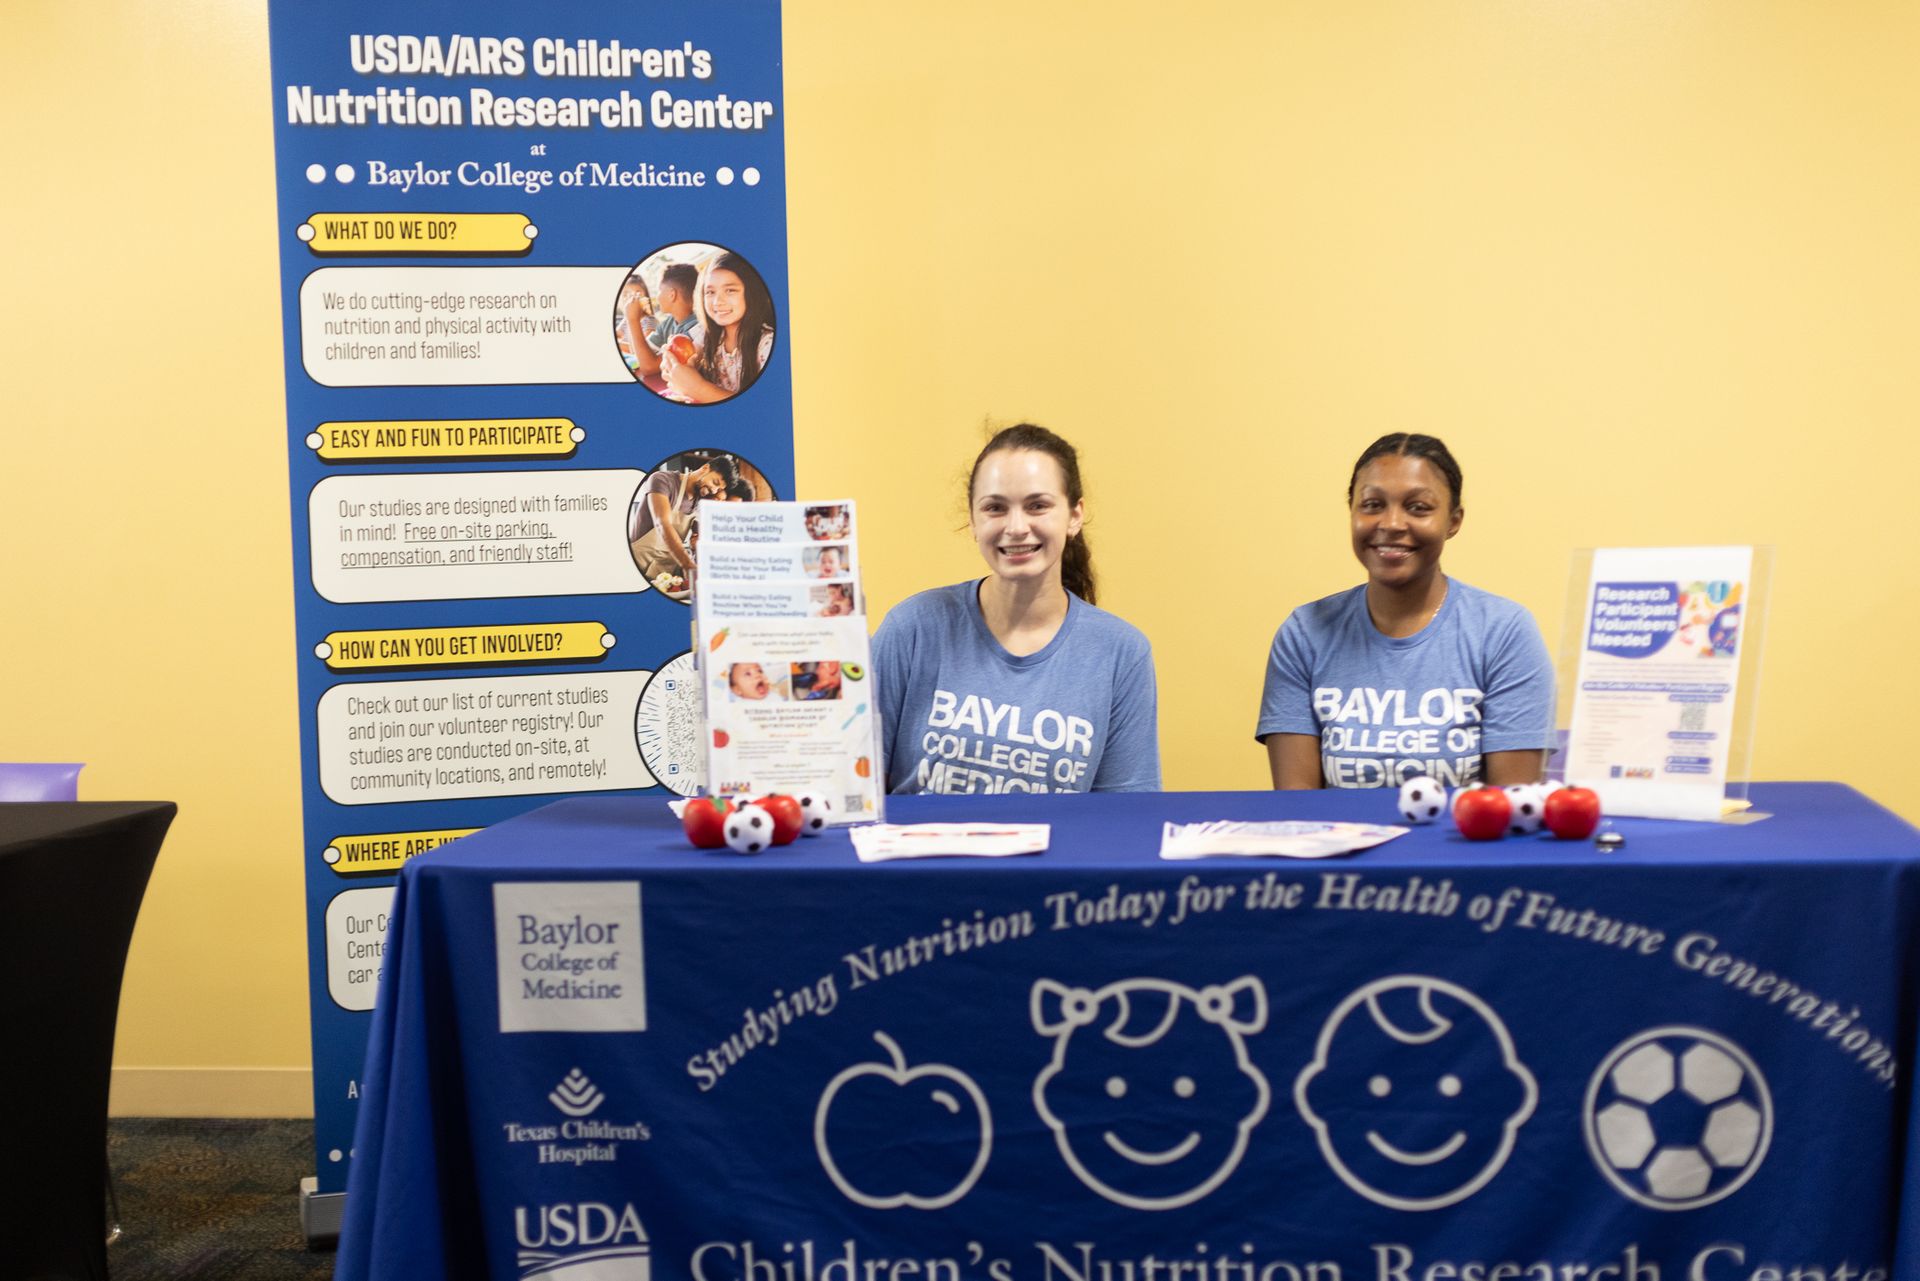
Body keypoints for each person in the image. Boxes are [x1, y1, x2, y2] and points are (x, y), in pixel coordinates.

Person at [872, 424, 1160, 795]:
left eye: (1037, 505)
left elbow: (1125, 814)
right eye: (995, 508)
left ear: (1074, 515)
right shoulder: (911, 628)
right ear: (973, 521)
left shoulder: (1122, 653)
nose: (1017, 527)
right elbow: (852, 786)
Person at [1257, 433, 1554, 790]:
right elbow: (1297, 807)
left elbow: (1512, 807)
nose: (1392, 523)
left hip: (1464, 831)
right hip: (1338, 831)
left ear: (1453, 520)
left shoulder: (1504, 632)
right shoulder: (1305, 633)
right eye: (1372, 505)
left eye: (1418, 507)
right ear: (1352, 512)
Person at [660, 252, 775, 403]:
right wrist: (673, 364)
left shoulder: (767, 344)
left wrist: (698, 388)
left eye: (730, 290)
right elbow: (688, 360)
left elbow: (762, 406)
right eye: (710, 292)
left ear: (752, 292)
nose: (717, 301)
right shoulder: (705, 333)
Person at [628, 456, 741, 585]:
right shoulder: (662, 480)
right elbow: (662, 523)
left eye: (719, 489)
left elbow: (699, 539)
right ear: (705, 468)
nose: (714, 490)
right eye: (715, 482)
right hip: (638, 563)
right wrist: (687, 564)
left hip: (664, 573)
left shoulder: (700, 501)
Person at [624, 262, 702, 379]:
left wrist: (633, 320)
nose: (657, 297)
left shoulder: (696, 327)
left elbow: (649, 367)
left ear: (672, 294)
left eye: (659, 291)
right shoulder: (667, 323)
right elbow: (639, 354)